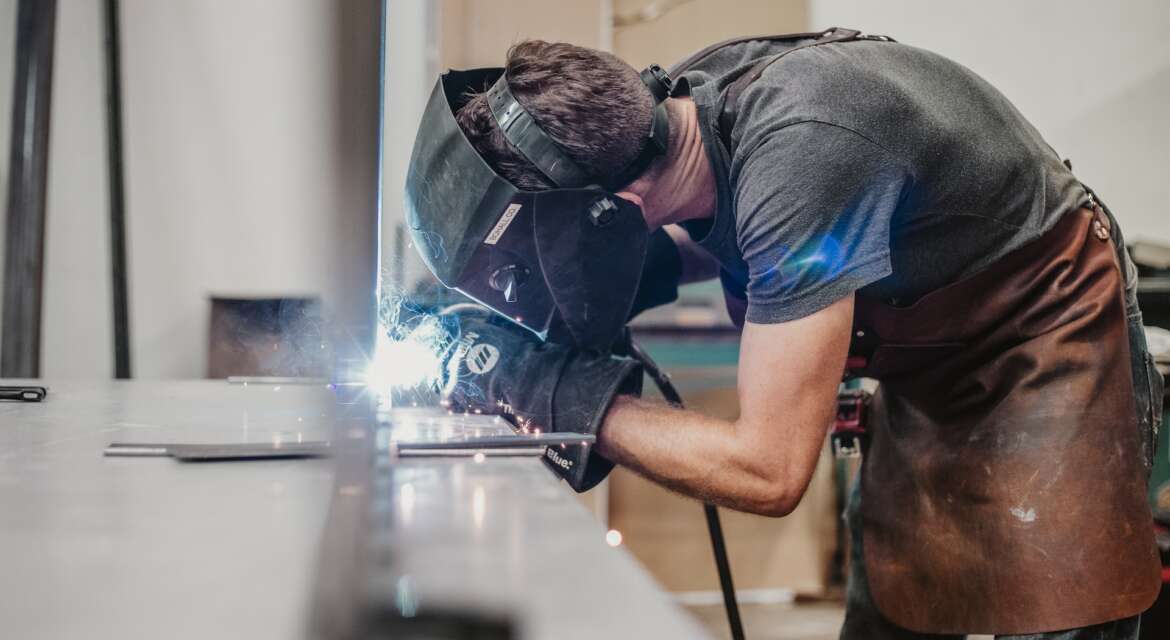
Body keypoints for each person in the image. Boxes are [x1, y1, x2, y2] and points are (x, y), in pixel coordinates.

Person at [406, 30, 1163, 639]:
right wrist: (563, 303)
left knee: (1060, 608)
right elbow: (747, 232)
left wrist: (554, 390)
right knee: (897, 602)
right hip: (930, 365)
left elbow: (768, 470)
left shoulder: (800, 150)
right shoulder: (685, 118)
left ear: (614, 205)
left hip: (1044, 334)